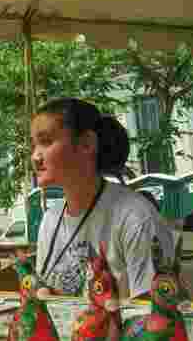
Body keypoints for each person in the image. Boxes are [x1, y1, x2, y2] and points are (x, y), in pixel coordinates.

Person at [30, 98, 176, 299]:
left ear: (86, 144)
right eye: (34, 145)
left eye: (46, 142)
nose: (35, 157)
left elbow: (154, 316)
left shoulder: (136, 219)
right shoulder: (50, 219)